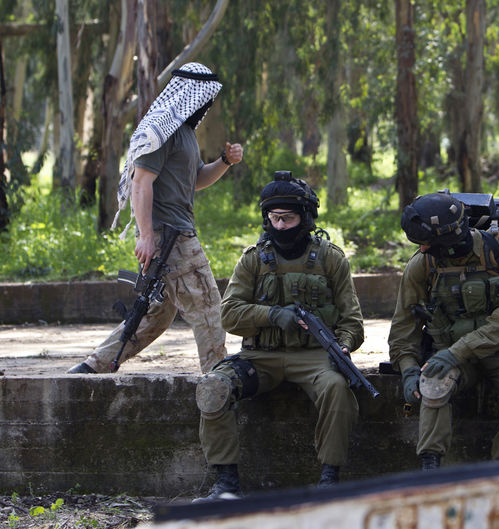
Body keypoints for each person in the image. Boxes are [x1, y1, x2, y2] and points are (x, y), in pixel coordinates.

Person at [193, 172, 364, 501]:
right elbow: (228, 315)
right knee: (213, 387)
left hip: (315, 357)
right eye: (274, 218)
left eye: (289, 218)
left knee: (338, 388)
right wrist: (272, 315)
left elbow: (352, 320)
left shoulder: (330, 258)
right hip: (261, 358)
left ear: (306, 218)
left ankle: (329, 481)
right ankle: (226, 486)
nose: (281, 226)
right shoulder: (254, 259)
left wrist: (343, 345)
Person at [67, 63, 242, 375]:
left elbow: (195, 180)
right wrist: (146, 236)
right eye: (204, 97)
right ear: (189, 93)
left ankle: (94, 366)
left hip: (177, 233)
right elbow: (141, 182)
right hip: (170, 238)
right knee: (208, 306)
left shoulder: (185, 133)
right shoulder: (161, 130)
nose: (207, 103)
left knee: (155, 315)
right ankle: (219, 378)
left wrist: (225, 161)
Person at [388, 191, 499, 470]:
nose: (422, 249)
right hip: (448, 350)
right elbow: (403, 328)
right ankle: (430, 467)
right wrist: (409, 370)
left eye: (427, 243)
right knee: (433, 384)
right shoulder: (421, 265)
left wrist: (457, 352)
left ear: (447, 240)